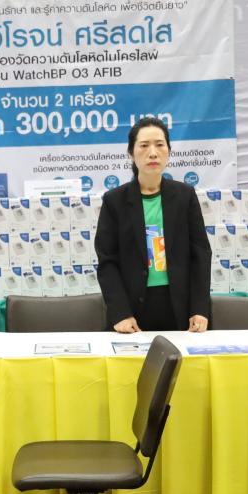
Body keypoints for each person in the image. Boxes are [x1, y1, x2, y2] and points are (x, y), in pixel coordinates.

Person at [94, 117, 211, 333]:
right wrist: (120, 313)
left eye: (159, 145)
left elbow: (200, 254)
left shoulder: (184, 196)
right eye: (144, 146)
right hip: (132, 309)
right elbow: (107, 261)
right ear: (131, 153)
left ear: (168, 151)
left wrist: (200, 308)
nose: (153, 153)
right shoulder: (114, 201)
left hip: (180, 307)